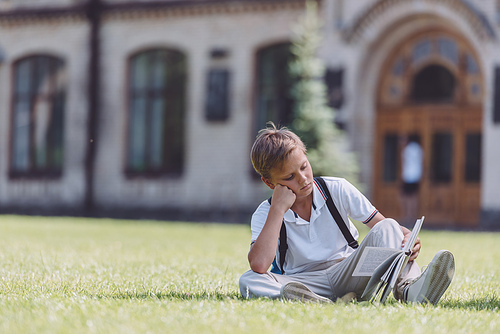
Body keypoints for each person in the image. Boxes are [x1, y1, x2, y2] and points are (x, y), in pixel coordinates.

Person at [239, 123, 454, 304]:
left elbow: (385, 229)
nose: (303, 179)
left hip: (351, 272)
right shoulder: (265, 213)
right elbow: (259, 265)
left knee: (389, 226)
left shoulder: (336, 188)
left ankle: (409, 289)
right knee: (248, 280)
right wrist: (277, 209)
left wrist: (406, 238)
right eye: (289, 177)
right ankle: (313, 300)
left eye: (304, 167)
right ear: (270, 182)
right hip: (303, 281)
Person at [400, 134, 423, 225]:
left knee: (406, 196)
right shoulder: (418, 148)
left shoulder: (407, 149)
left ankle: (407, 216)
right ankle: (412, 215)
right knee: (413, 196)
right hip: (416, 175)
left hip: (408, 175)